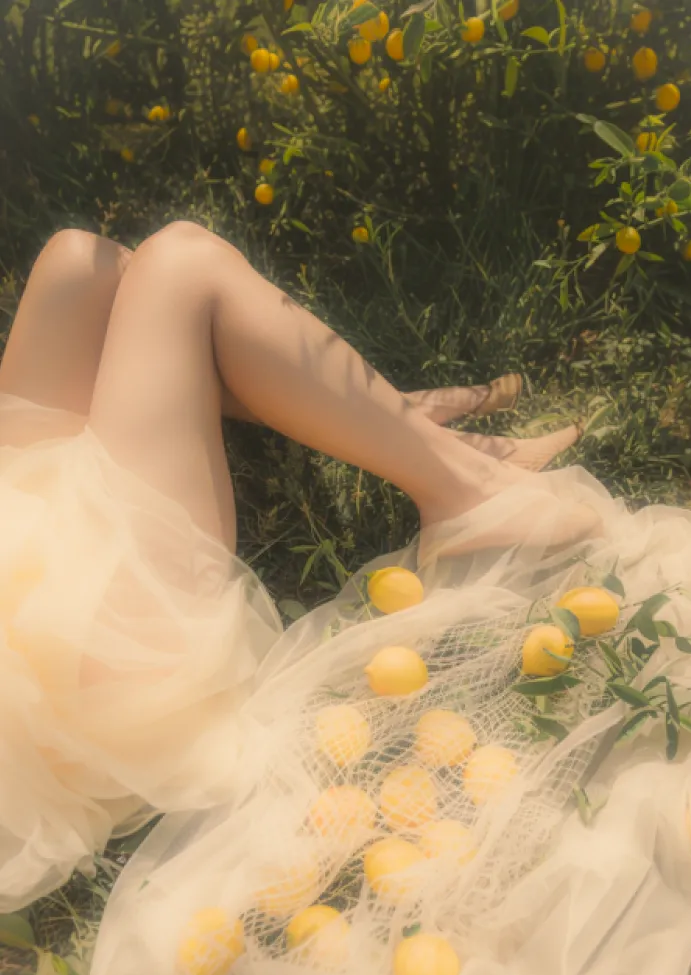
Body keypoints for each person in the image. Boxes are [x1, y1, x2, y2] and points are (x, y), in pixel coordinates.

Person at [0, 222, 591, 913]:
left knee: (81, 265)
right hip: (54, 665)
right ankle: (466, 493)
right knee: (181, 265)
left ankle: (387, 421)